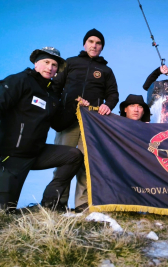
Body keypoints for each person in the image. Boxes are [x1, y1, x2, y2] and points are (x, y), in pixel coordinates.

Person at [0, 47, 83, 212]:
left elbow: (58, 124)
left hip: (36, 154)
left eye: (54, 65)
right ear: (36, 64)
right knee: (2, 211)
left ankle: (50, 204)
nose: (50, 67)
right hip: (11, 156)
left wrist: (74, 107)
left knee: (73, 155)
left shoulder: (51, 95)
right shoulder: (19, 80)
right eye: (46, 62)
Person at [51, 29, 119, 213]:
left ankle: (82, 205)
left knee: (86, 163)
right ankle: (58, 203)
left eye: (98, 43)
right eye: (91, 41)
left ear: (102, 47)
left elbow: (113, 94)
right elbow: (55, 87)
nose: (94, 45)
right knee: (63, 161)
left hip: (91, 124)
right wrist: (57, 109)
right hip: (68, 120)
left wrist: (108, 105)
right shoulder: (70, 63)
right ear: (84, 44)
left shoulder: (106, 70)